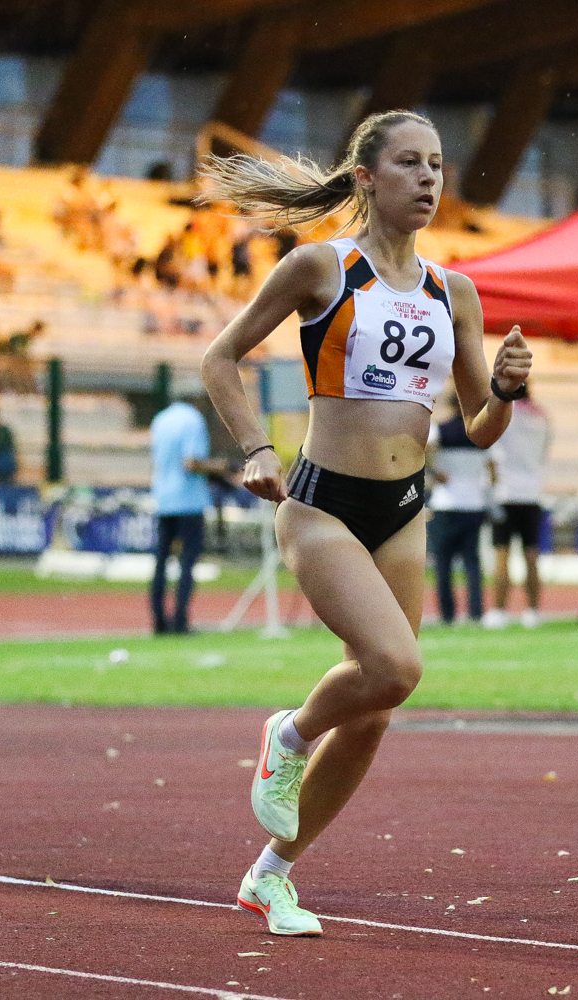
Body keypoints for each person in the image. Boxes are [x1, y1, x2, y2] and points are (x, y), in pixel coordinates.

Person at [199, 109, 531, 936]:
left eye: (437, 165)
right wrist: (255, 448)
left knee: (378, 705)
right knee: (394, 665)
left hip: (404, 509)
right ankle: (291, 732)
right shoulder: (323, 266)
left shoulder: (454, 292)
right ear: (366, 179)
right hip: (321, 504)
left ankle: (270, 876)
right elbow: (219, 358)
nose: (428, 179)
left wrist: (504, 390)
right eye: (410, 163)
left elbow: (479, 426)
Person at [148, 394, 223, 635]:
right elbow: (191, 462)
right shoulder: (193, 419)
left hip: (163, 498)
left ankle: (158, 621)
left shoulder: (160, 419)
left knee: (161, 561)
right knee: (187, 562)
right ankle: (180, 620)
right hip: (189, 500)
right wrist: (222, 467)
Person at [482, 383, 551, 628]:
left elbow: (490, 453)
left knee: (502, 556)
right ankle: (533, 611)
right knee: (532, 556)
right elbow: (543, 453)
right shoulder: (542, 417)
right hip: (532, 493)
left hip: (505, 492)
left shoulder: (503, 415)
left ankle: (499, 611)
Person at [427, 395, 490, 625]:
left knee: (443, 563)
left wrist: (435, 473)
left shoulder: (440, 430)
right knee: (472, 563)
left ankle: (447, 614)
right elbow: (492, 467)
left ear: (452, 406)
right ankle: (476, 612)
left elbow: (424, 452)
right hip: (474, 503)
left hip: (446, 503)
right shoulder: (481, 434)